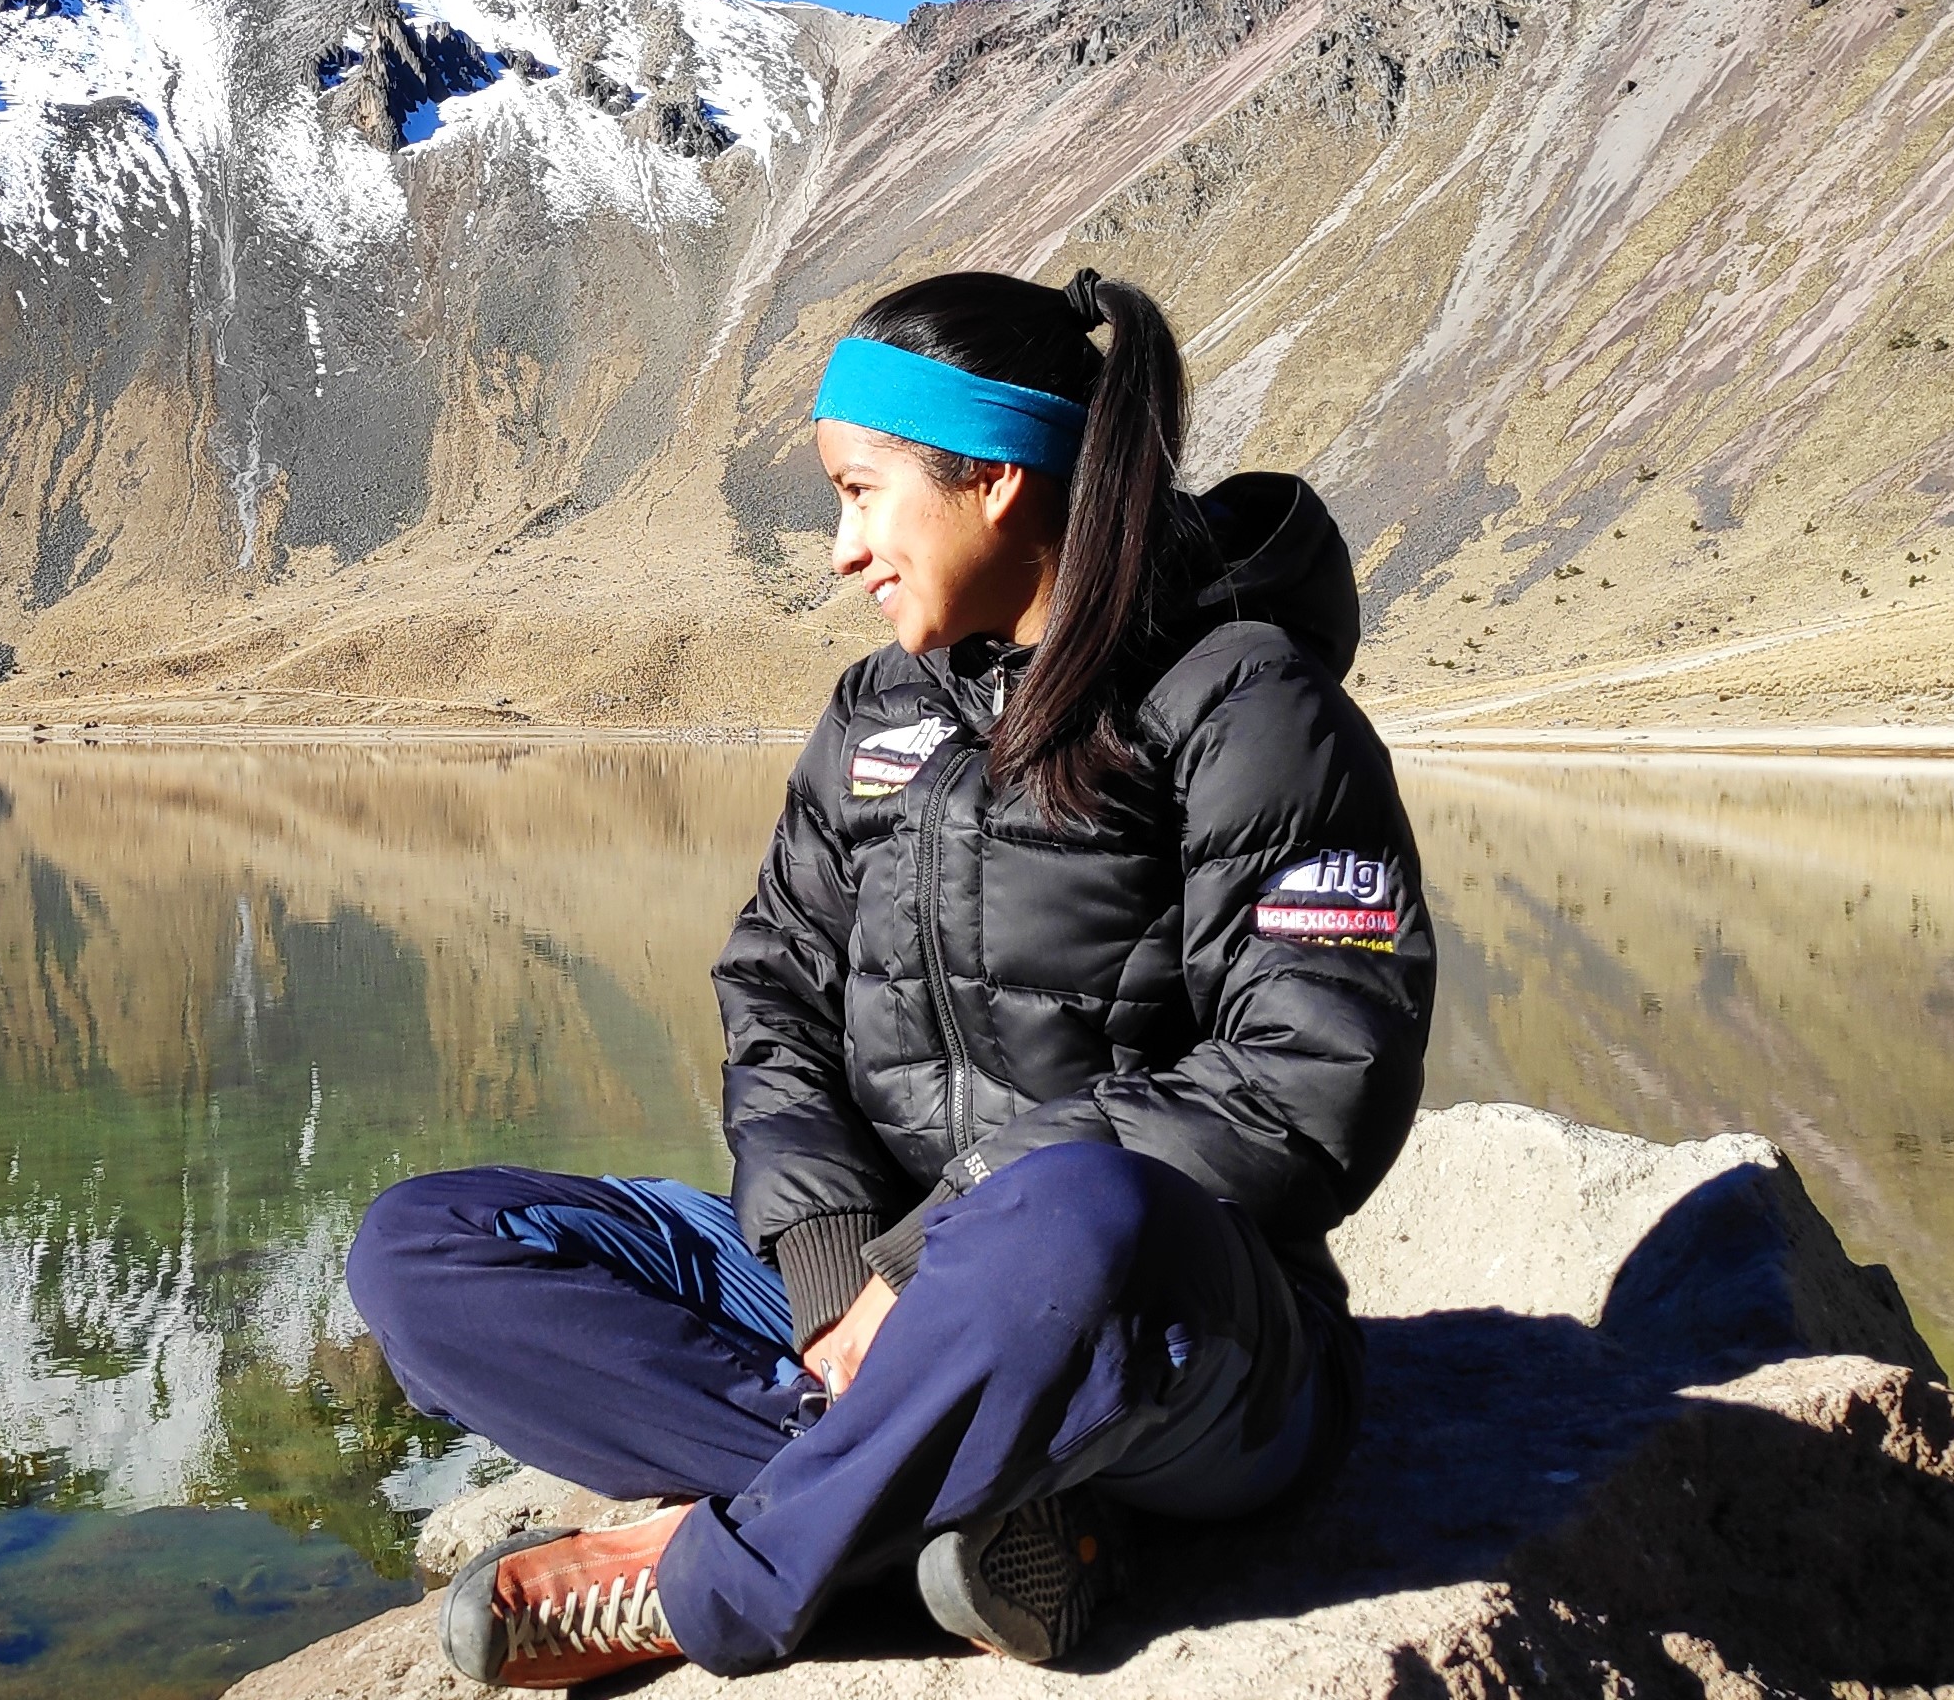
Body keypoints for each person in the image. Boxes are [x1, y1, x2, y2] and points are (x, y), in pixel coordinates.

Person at [346, 269, 1434, 1687]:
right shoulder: (880, 709)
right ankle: (961, 1529)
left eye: (862, 493)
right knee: (422, 1251)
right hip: (864, 1294)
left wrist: (930, 1269)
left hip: (1154, 1321)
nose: (841, 550)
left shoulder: (1248, 707)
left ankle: (720, 1584)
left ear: (990, 480)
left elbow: (1304, 1086)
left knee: (1067, 1211)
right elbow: (775, 994)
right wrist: (825, 1275)